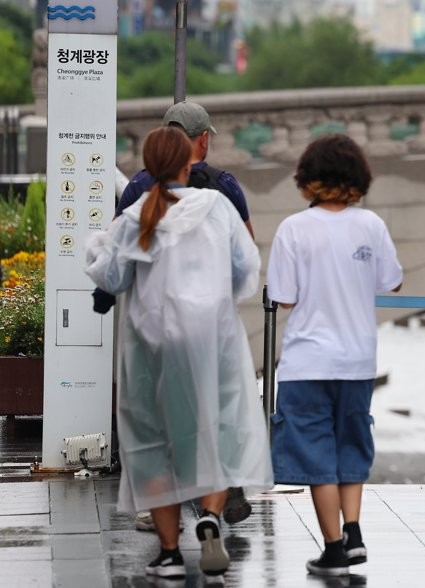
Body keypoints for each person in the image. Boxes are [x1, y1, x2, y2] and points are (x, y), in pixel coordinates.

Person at [85, 126, 273, 580]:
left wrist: (96, 240)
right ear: (191, 160)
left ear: (148, 166)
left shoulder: (135, 215)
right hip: (213, 342)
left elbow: (109, 276)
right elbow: (247, 272)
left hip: (152, 347)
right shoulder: (218, 209)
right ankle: (209, 516)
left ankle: (169, 552)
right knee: (213, 432)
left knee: (153, 443)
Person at [266, 134, 403, 577]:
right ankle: (355, 531)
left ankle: (333, 548)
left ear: (307, 178)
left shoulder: (293, 229)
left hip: (307, 360)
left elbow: (283, 297)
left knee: (315, 455)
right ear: (358, 177)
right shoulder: (371, 225)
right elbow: (392, 282)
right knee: (351, 446)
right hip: (358, 360)